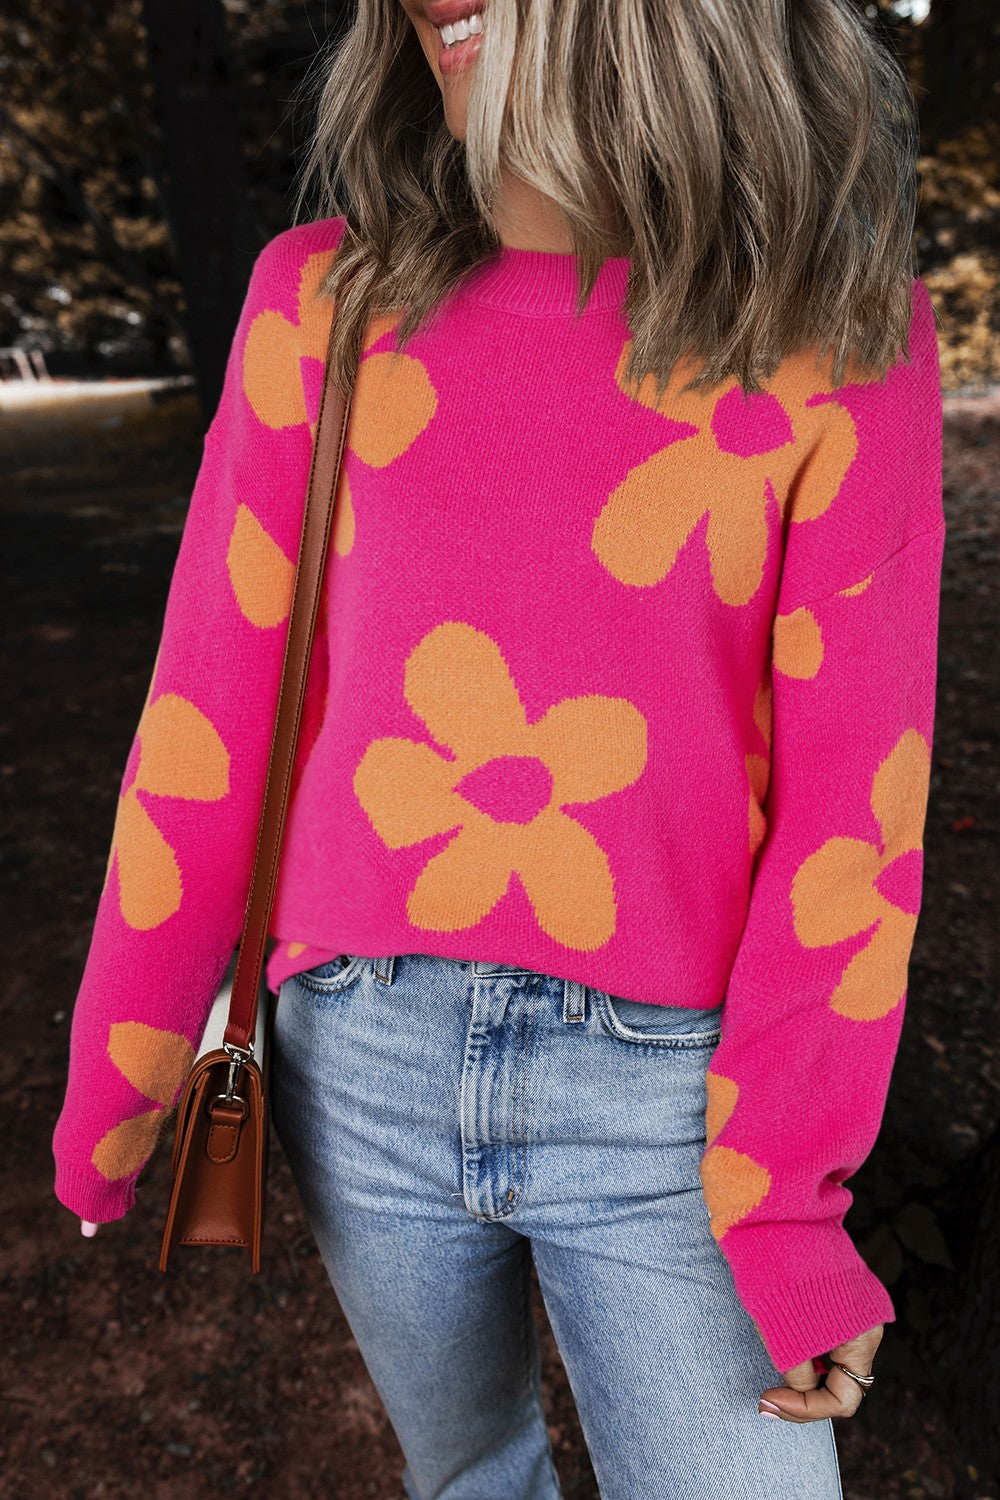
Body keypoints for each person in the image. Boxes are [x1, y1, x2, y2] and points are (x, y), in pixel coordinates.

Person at [53, 1, 946, 1495]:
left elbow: (854, 825)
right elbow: (207, 723)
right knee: (468, 1476)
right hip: (359, 1061)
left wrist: (791, 1203)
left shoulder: (840, 339)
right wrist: (119, 1080)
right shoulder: (322, 304)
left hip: (672, 1109)